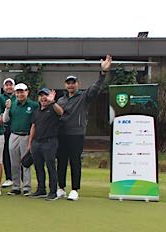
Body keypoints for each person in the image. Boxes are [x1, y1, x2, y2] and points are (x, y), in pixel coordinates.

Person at [57, 55, 111, 201]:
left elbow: (95, 88)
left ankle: (75, 189)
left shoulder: (84, 97)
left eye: (73, 83)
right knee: (61, 162)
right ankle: (61, 188)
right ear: (65, 85)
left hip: (76, 134)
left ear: (78, 84)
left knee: (75, 162)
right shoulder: (61, 100)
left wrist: (103, 73)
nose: (71, 85)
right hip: (61, 134)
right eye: (68, 83)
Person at [30, 88, 64, 200]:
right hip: (37, 143)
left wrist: (52, 102)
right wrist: (30, 143)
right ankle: (41, 189)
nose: (43, 98)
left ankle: (53, 192)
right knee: (38, 167)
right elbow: (33, 127)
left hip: (50, 142)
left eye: (45, 95)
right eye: (41, 96)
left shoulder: (53, 108)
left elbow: (61, 112)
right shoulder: (37, 111)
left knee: (50, 167)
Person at [2, 83, 35, 196]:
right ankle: (16, 186)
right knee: (14, 163)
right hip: (14, 135)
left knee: (25, 163)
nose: (20, 94)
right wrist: (7, 108)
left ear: (27, 92)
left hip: (26, 135)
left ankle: (26, 187)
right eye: (18, 92)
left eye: (22, 91)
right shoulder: (13, 104)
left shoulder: (33, 105)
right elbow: (5, 120)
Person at [0, 77, 16, 189]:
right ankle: (9, 178)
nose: (9, 87)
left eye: (11, 85)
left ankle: (19, 178)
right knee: (6, 154)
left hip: (16, 129)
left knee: (17, 155)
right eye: (7, 85)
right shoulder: (1, 98)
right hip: (5, 129)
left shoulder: (19, 96)